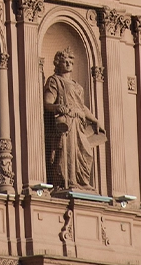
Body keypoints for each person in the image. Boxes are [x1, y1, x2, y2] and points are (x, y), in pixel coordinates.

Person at [43, 49, 106, 190]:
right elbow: (47, 103)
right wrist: (58, 107)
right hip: (67, 122)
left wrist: (95, 120)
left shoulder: (78, 86)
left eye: (71, 62)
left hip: (79, 123)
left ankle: (82, 181)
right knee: (67, 152)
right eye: (65, 61)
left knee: (86, 152)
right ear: (58, 64)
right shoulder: (55, 81)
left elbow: (81, 106)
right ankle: (69, 181)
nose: (68, 64)